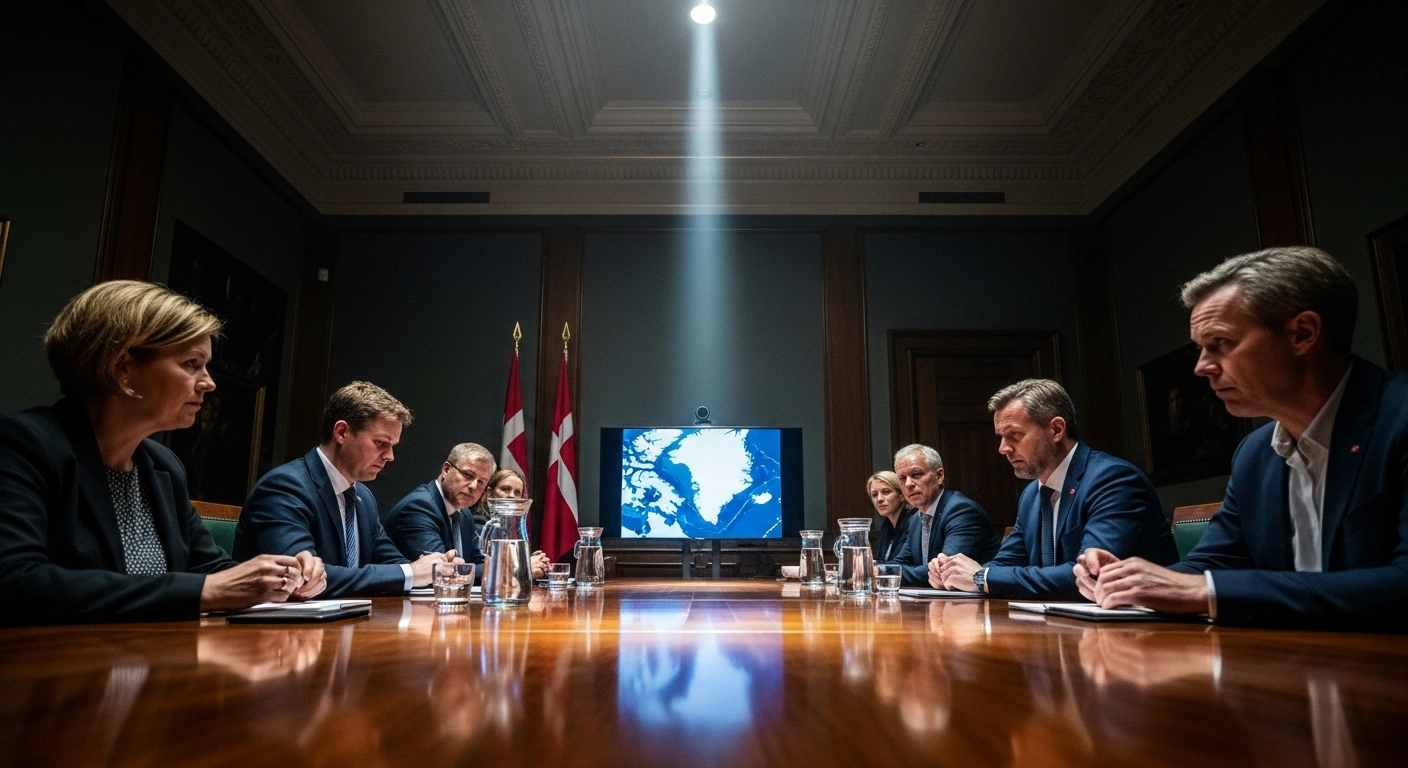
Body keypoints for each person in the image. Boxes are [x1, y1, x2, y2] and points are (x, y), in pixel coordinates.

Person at [1076, 247, 1408, 629]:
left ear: (1302, 334)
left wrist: (1204, 592)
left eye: (1221, 343)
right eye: (1201, 348)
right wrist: (1132, 578)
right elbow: (1213, 565)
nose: (1201, 367)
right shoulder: (1255, 452)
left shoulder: (1398, 419)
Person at [0, 281, 325, 624]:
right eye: (191, 363)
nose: (209, 383)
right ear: (121, 367)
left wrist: (282, 578)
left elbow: (211, 569)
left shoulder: (162, 466)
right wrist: (208, 590)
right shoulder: (23, 445)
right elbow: (15, 583)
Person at [934, 379, 1176, 599]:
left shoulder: (1113, 480)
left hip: (1146, 635)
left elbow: (1086, 576)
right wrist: (954, 572)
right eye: (1001, 437)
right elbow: (1006, 563)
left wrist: (981, 578)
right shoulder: (1032, 494)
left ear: (1056, 429)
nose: (1003, 448)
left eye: (1014, 435)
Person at [235, 382, 454, 598]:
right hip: (276, 630)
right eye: (380, 443)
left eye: (392, 446)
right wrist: (410, 573)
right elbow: (302, 577)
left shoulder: (363, 498)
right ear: (341, 432)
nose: (390, 456)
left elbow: (391, 563)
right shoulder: (284, 487)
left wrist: (435, 569)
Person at [892, 444, 1000, 586]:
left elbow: (945, 570)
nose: (909, 484)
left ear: (939, 476)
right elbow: (899, 563)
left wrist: (878, 573)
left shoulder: (961, 510)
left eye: (916, 474)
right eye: (902, 478)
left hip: (980, 604)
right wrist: (877, 570)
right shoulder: (915, 520)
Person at [471, 467, 550, 578]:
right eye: (505, 489)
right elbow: (478, 570)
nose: (512, 496)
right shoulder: (479, 525)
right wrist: (524, 567)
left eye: (517, 492)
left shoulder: (511, 529)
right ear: (489, 493)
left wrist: (539, 565)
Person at [867, 471, 914, 563]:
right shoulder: (887, 526)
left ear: (902, 495)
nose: (879, 499)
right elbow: (878, 559)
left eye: (886, 492)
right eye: (874, 495)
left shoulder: (913, 521)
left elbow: (903, 563)